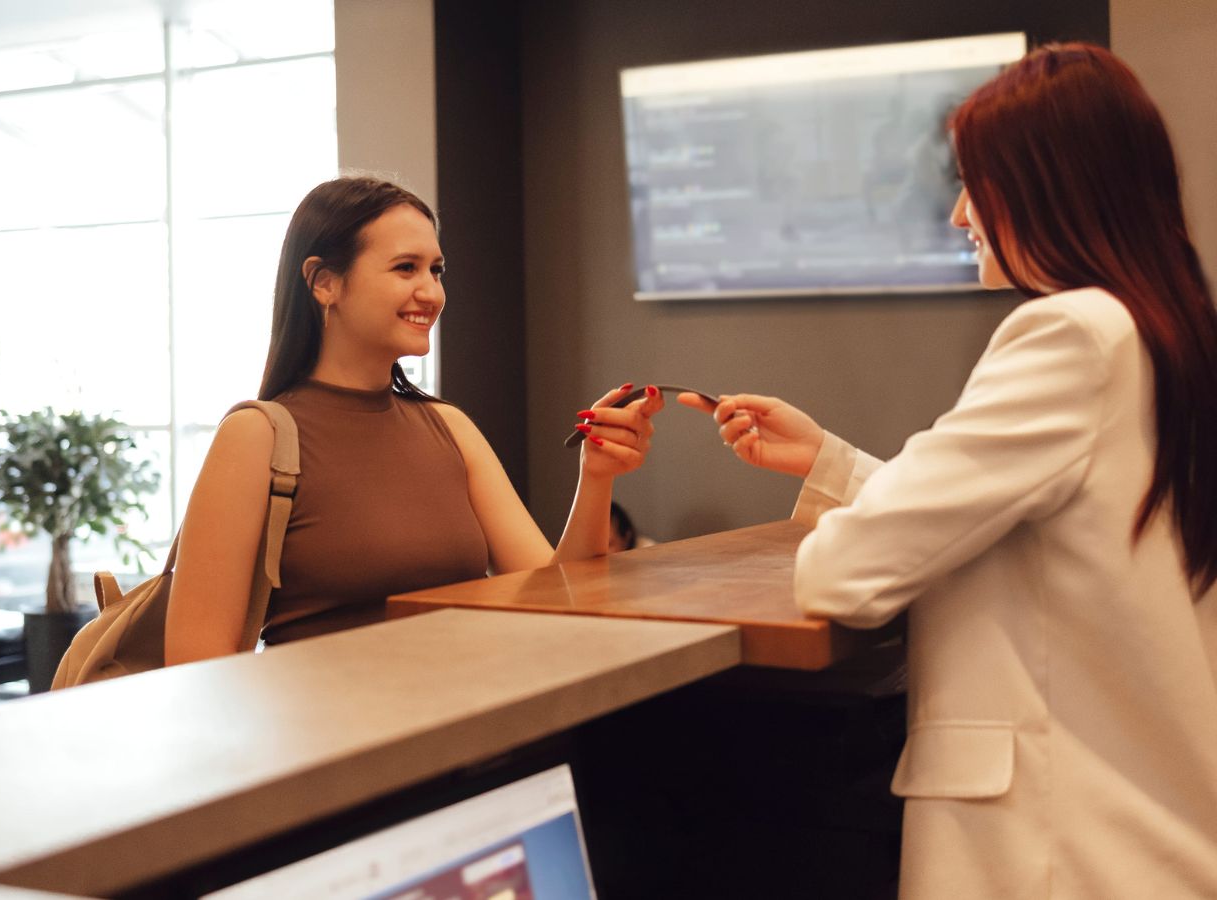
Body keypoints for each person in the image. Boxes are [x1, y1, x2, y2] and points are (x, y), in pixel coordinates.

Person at [680, 44, 1217, 898]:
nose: (962, 215)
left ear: (1052, 188)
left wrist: (853, 509)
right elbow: (1025, 520)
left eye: (977, 184)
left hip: (1059, 846)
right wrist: (832, 463)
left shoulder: (1068, 333)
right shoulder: (1156, 332)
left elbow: (846, 572)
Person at [168, 176, 663, 663]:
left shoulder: (449, 427)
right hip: (332, 735)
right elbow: (196, 662)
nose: (432, 293)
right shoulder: (257, 435)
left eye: (437, 270)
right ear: (325, 282)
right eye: (406, 268)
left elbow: (558, 598)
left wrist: (596, 475)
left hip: (470, 721)